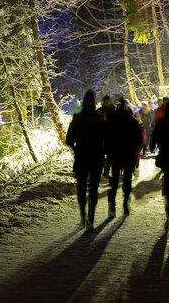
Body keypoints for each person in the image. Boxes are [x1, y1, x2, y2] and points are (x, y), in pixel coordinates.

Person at [66, 90, 106, 231]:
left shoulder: (77, 118)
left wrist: (76, 149)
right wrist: (103, 152)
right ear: (94, 102)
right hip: (96, 157)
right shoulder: (100, 119)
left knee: (81, 188)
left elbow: (69, 140)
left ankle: (83, 217)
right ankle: (91, 220)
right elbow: (106, 139)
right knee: (93, 189)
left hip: (81, 157)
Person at [106, 97, 143, 216]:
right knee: (127, 180)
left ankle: (112, 205)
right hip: (128, 154)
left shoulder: (111, 119)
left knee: (115, 179)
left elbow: (105, 136)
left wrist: (108, 150)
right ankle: (126, 203)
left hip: (115, 153)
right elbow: (139, 138)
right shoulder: (131, 120)